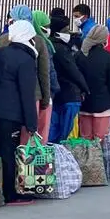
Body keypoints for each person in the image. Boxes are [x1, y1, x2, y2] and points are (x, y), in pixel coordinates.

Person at [0, 20, 38, 206]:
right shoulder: (25, 60)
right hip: (9, 115)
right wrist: (31, 123)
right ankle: (10, 193)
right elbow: (27, 93)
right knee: (8, 152)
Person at [0, 6, 52, 124]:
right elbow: (43, 73)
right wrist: (46, 98)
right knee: (28, 134)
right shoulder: (38, 41)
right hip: (33, 94)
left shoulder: (2, 40)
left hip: (6, 94)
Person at [76, 25, 110, 140]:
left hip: (84, 105)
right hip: (103, 106)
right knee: (101, 141)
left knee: (85, 141)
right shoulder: (108, 58)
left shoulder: (79, 56)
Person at [48, 15, 90, 143]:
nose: (68, 33)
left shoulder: (49, 46)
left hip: (55, 96)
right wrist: (85, 88)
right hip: (69, 95)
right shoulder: (62, 49)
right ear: (57, 33)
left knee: (53, 130)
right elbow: (73, 71)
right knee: (65, 133)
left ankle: (52, 157)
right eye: (65, 31)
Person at [32, 10, 61, 143]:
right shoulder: (42, 44)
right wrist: (53, 90)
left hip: (33, 94)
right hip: (44, 93)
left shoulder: (32, 41)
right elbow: (47, 71)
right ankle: (39, 161)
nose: (48, 30)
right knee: (42, 131)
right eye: (46, 26)